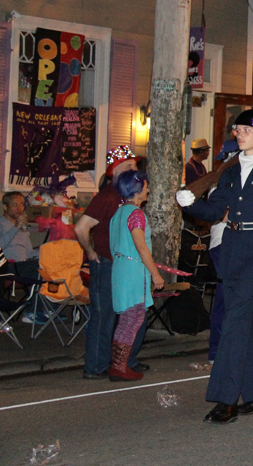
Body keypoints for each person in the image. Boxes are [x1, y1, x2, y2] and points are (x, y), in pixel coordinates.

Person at [176, 108, 253, 424]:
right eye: (237, 129)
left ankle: (225, 397)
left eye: (246, 129)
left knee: (233, 320)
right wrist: (192, 204)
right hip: (231, 250)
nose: (240, 133)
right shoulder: (228, 172)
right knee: (243, 323)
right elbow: (216, 209)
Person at [75, 145, 147, 380]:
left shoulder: (125, 197)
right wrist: (91, 253)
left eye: (135, 167)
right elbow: (81, 227)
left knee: (130, 313)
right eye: (129, 167)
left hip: (122, 265)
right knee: (104, 315)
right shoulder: (106, 197)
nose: (134, 170)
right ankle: (96, 366)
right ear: (115, 171)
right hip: (106, 262)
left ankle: (125, 360)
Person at [107, 171, 165, 381]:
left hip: (121, 269)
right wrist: (155, 274)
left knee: (126, 319)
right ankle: (120, 366)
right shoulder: (136, 214)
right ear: (137, 189)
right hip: (133, 271)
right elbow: (141, 248)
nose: (148, 190)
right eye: (146, 186)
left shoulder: (119, 213)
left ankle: (117, 364)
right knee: (133, 319)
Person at [0, 192, 43, 322]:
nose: (19, 208)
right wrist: (15, 228)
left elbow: (28, 252)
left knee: (48, 262)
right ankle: (32, 312)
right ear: (5, 207)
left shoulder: (23, 226)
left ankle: (41, 309)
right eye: (14, 205)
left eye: (21, 204)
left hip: (23, 266)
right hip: (6, 267)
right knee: (38, 267)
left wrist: (45, 251)